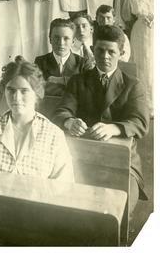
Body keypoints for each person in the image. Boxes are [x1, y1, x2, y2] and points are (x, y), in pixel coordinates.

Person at [53, 25, 149, 214]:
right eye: (100, 50)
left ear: (121, 53)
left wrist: (114, 128)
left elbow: (140, 122)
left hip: (123, 160)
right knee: (70, 207)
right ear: (92, 50)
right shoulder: (78, 81)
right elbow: (62, 111)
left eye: (111, 52)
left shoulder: (134, 85)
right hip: (81, 157)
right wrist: (69, 121)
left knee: (119, 209)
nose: (105, 56)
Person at [0, 56, 73, 182]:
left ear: (37, 93)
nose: (16, 98)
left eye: (24, 91)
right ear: (4, 90)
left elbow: (64, 185)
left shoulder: (53, 135)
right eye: (11, 90)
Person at [121, 0, 154, 114]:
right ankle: (141, 103)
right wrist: (141, 20)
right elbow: (126, 16)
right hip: (140, 33)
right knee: (142, 65)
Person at [34, 18, 89, 96]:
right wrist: (74, 86)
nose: (61, 43)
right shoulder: (40, 62)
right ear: (50, 39)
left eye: (66, 38)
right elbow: (37, 89)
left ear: (73, 41)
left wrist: (59, 80)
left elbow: (88, 88)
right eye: (56, 38)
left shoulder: (83, 63)